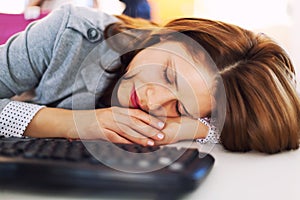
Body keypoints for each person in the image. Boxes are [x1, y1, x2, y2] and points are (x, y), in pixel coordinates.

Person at [0, 4, 299, 154]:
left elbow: (260, 129)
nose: (152, 101)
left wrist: (188, 127)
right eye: (169, 74)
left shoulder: (197, 114)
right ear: (164, 36)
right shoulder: (69, 32)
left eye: (180, 108)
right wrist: (76, 123)